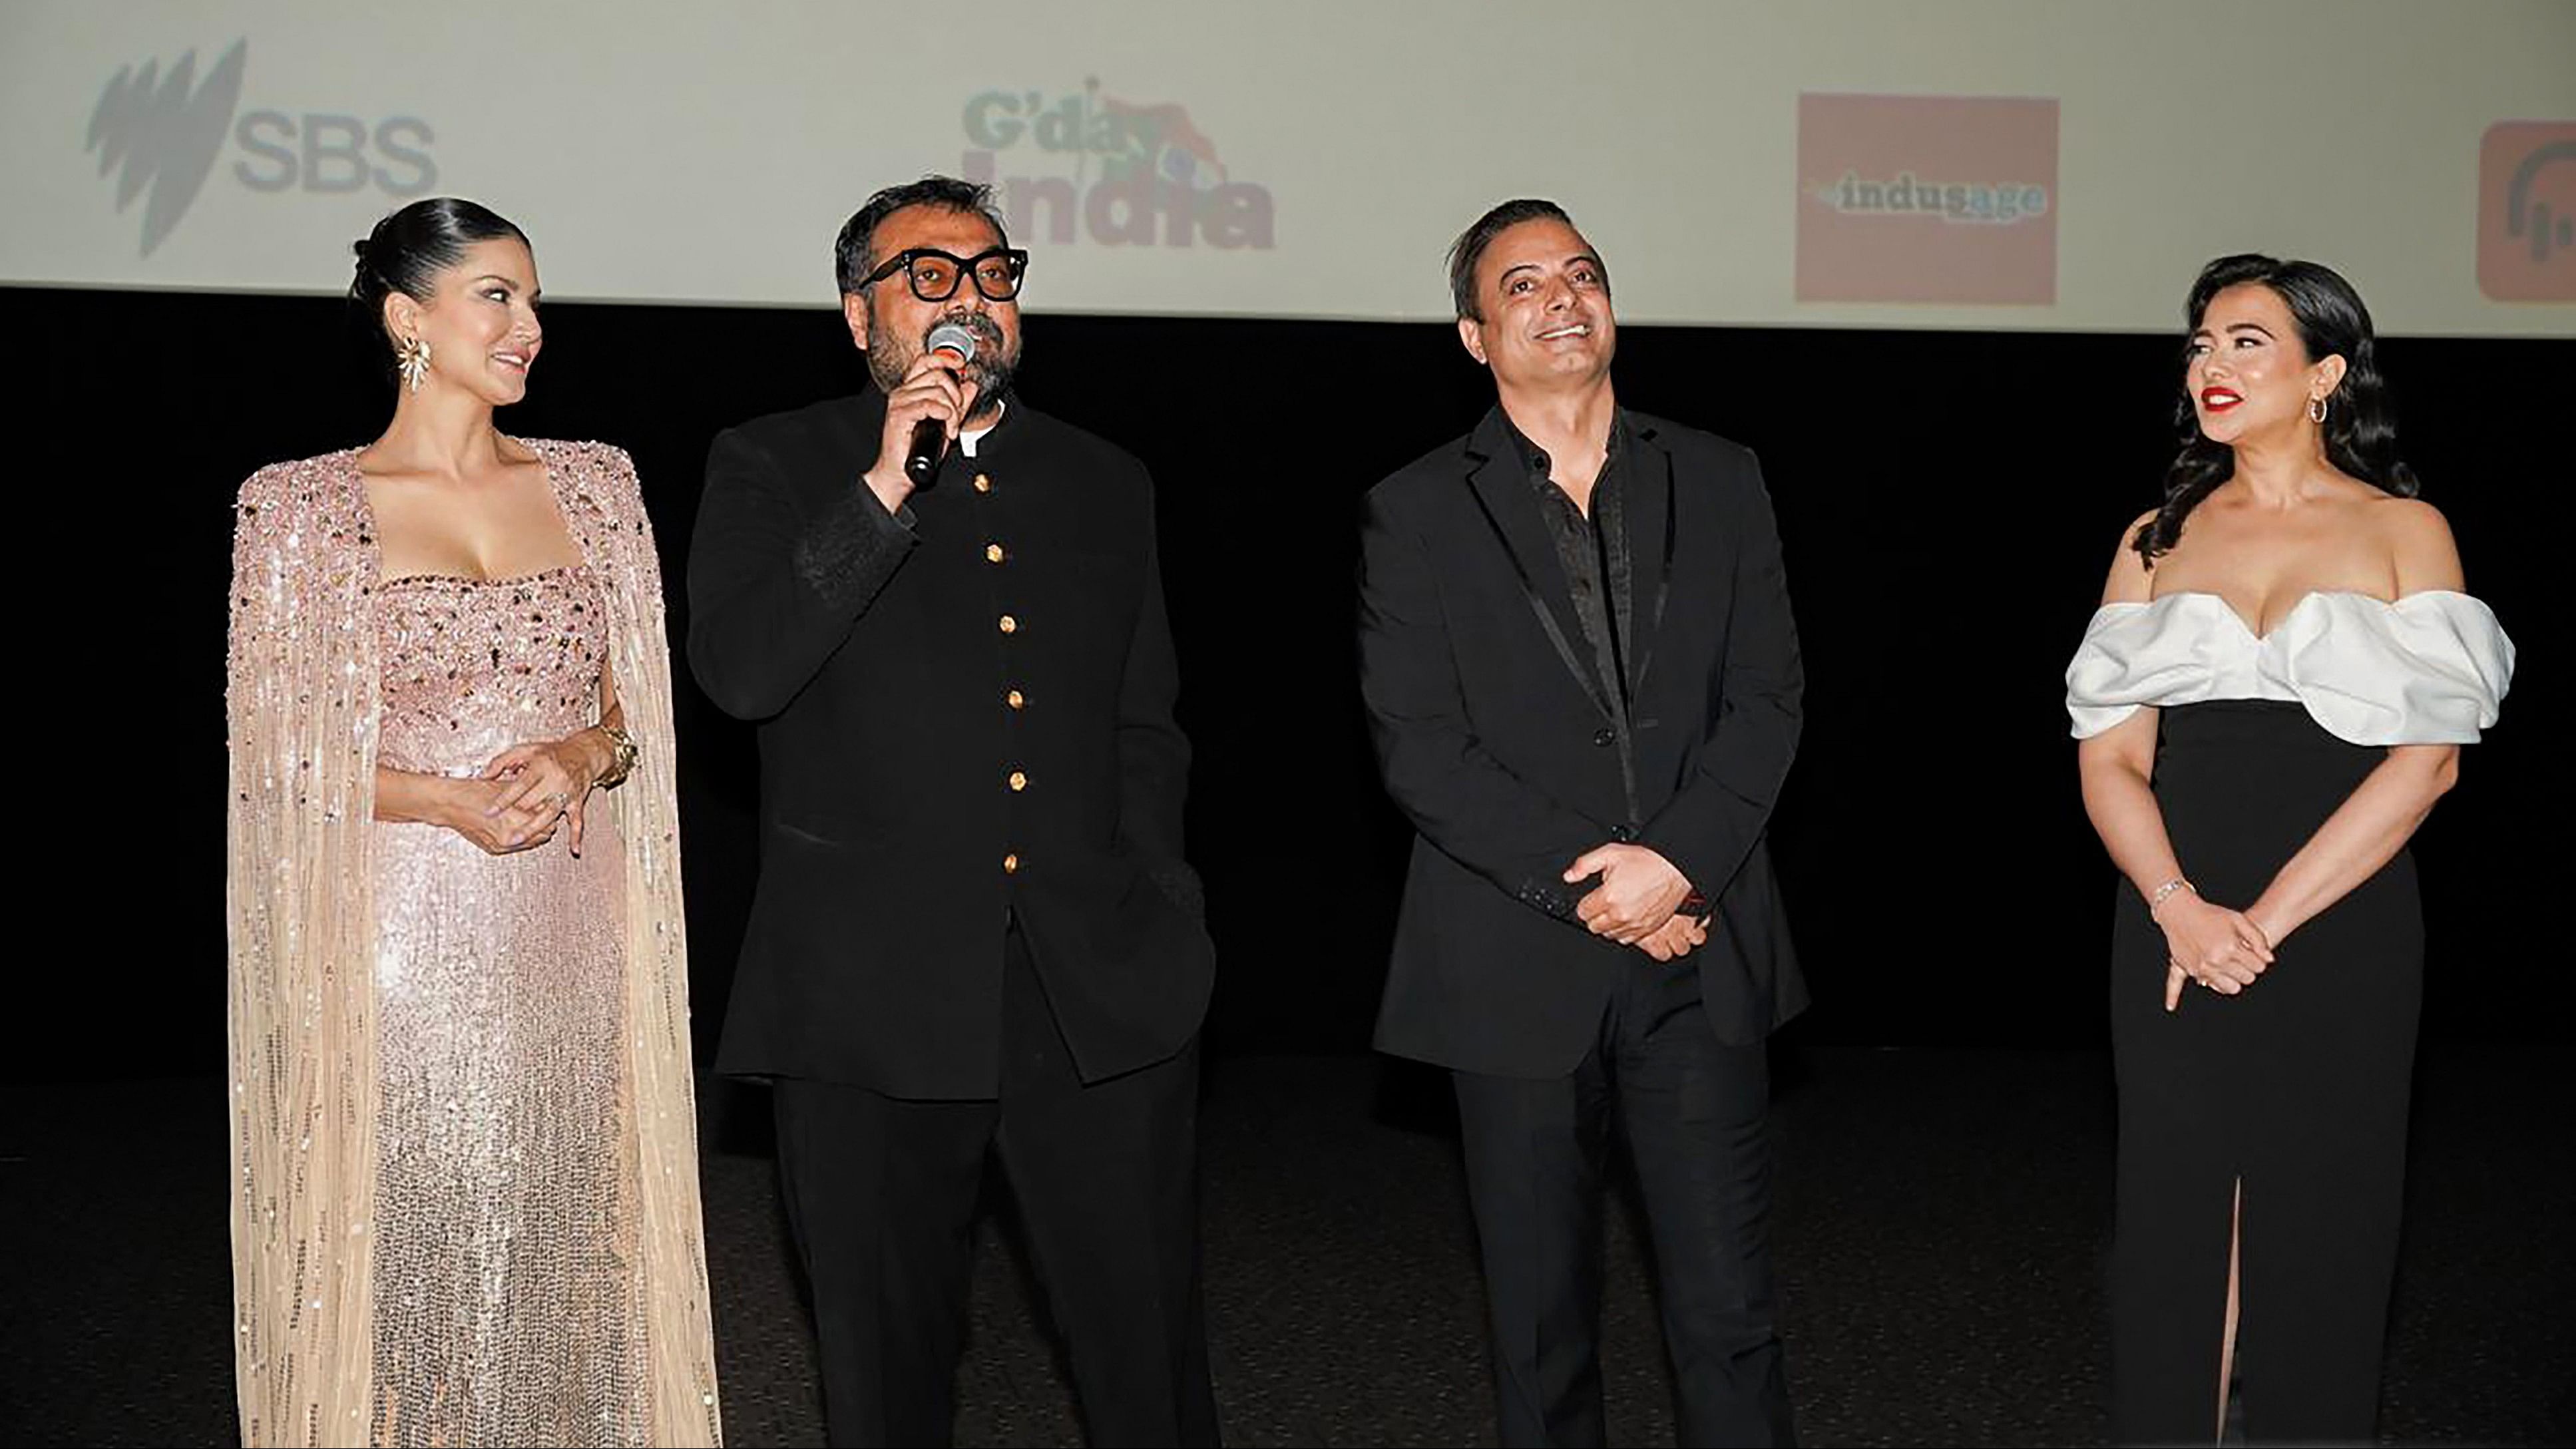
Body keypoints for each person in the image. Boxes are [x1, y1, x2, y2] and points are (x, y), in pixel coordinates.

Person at [686, 176, 1217, 1448]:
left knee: (1148, 1361)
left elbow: (1145, 726)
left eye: (991, 272)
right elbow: (741, 673)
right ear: (854, 312)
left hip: (1094, 988)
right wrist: (883, 485)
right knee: (885, 1372)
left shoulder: (1104, 479)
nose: (967, 298)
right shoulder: (771, 461)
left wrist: (1164, 909)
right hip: (866, 1002)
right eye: (926, 274)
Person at [223, 198, 722, 1446]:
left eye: (533, 298)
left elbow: (634, 706)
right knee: (407, 1231)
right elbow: (278, 754)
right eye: (495, 295)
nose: (529, 325)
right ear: (408, 317)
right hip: (398, 939)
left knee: (567, 1227)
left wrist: (581, 750)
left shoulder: (598, 485)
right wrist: (438, 796)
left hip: (570, 925)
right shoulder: (301, 507)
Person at [1357, 198, 1806, 1448]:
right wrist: (1600, 890)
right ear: (1472, 334)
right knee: (1541, 1336)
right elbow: (1421, 747)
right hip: (1513, 966)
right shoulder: (1415, 510)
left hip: (1700, 951)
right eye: (1524, 285)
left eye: (1582, 274)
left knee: (1729, 1319)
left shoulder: (1719, 476)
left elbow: (1770, 697)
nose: (1562, 298)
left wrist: (1676, 866)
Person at [2066, 254, 2514, 1445]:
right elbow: (2109, 761)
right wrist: (2178, 905)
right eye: (2201, 343)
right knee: (2173, 1216)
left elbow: (2427, 762)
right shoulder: (2151, 538)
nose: (2211, 365)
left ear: (2323, 374)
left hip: (2340, 915)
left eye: (2245, 342)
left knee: (2322, 1212)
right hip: (2169, 917)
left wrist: (2256, 922)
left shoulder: (2404, 529)